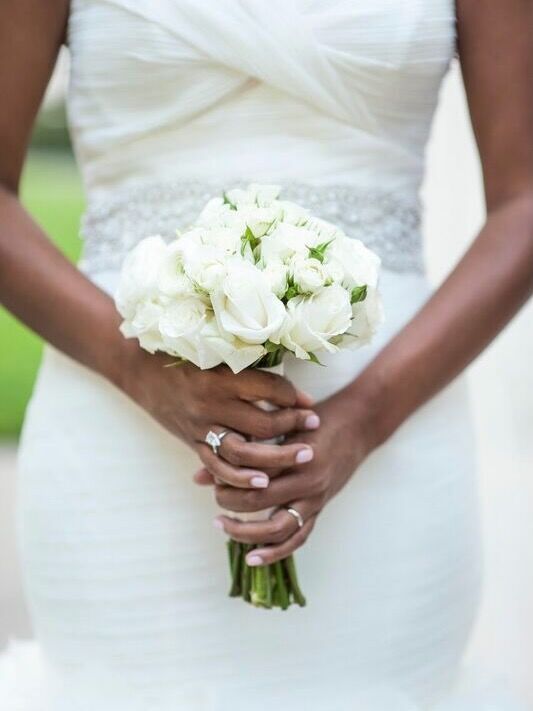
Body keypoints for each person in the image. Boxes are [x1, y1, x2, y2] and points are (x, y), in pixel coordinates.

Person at [0, 1, 532, 708]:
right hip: (118, 440)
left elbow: (522, 202)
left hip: (394, 440)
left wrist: (365, 417)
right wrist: (138, 367)